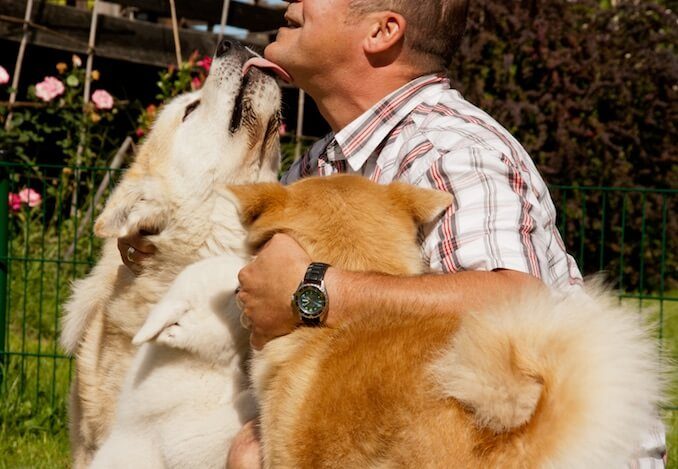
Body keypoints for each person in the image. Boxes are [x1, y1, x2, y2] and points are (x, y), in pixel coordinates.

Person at [119, 1, 666, 468]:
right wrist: (167, 247)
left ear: (382, 32)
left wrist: (315, 290)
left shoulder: (454, 148)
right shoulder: (323, 160)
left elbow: (514, 297)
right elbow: (255, 279)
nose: (293, 3)